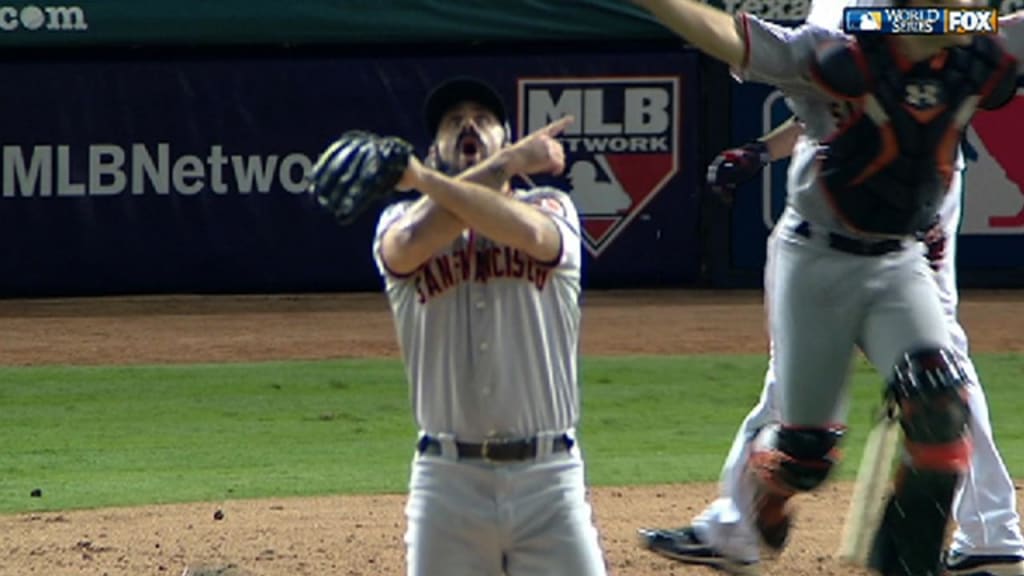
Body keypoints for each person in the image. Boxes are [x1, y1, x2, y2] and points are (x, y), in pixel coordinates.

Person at [627, 0, 1023, 574]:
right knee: (807, 454)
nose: (974, 9)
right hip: (816, 260)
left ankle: (911, 560)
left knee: (940, 400)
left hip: (901, 258)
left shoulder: (975, 51)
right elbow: (733, 38)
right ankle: (769, 486)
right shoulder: (836, 51)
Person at [371, 77, 608, 576]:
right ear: (434, 149)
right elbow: (411, 243)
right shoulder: (399, 217)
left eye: (482, 119)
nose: (468, 126)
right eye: (453, 122)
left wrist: (423, 178)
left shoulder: (551, 205)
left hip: (549, 480)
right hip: (446, 483)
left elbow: (528, 235)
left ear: (505, 137)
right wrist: (504, 165)